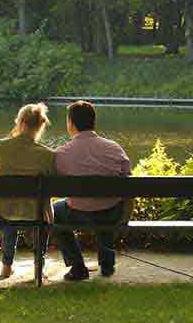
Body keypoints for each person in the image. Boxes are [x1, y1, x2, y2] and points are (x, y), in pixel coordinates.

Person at [52, 100, 131, 281]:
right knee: (105, 204)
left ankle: (78, 266)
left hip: (78, 213)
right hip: (111, 213)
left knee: (54, 211)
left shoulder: (62, 153)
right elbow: (127, 177)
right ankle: (107, 264)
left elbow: (54, 178)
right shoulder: (114, 148)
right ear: (93, 122)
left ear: (70, 123)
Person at [0, 103, 55, 279]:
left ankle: (6, 267)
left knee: (11, 209)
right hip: (36, 213)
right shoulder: (47, 154)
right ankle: (38, 267)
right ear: (40, 126)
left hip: (6, 212)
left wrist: (12, 138)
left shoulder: (1, 146)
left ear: (21, 123)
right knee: (39, 208)